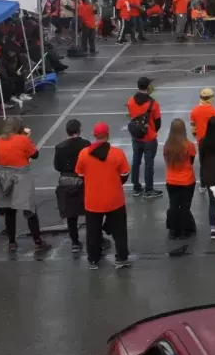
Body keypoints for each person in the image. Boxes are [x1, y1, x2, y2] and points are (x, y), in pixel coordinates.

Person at [75, 122, 131, 269]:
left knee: (93, 232)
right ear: (108, 134)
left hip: (93, 200)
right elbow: (125, 174)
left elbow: (80, 174)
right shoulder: (117, 153)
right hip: (114, 199)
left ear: (94, 135)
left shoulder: (84, 154)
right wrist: (116, 183)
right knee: (119, 231)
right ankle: (121, 257)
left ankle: (93, 259)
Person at [0, 118, 49, 252]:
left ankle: (12, 242)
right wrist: (26, 137)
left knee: (9, 210)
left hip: (3, 176)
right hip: (20, 176)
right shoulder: (23, 140)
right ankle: (38, 242)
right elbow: (35, 154)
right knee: (29, 211)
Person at [54, 119, 91, 253]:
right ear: (79, 130)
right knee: (89, 212)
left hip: (66, 181)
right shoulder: (85, 145)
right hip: (83, 180)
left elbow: (57, 166)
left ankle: (75, 242)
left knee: (71, 214)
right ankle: (93, 238)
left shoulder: (59, 147)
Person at [126, 76, 162, 198]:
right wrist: (151, 131)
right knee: (148, 164)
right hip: (149, 138)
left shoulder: (131, 101)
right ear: (148, 87)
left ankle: (136, 187)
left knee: (136, 161)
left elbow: (132, 116)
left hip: (136, 137)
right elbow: (158, 123)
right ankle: (149, 189)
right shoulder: (153, 104)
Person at [163, 119, 197, 240]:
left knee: (173, 205)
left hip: (171, 180)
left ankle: (173, 230)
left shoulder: (167, 146)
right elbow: (192, 159)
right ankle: (185, 230)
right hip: (187, 180)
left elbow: (166, 160)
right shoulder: (189, 145)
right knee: (185, 206)